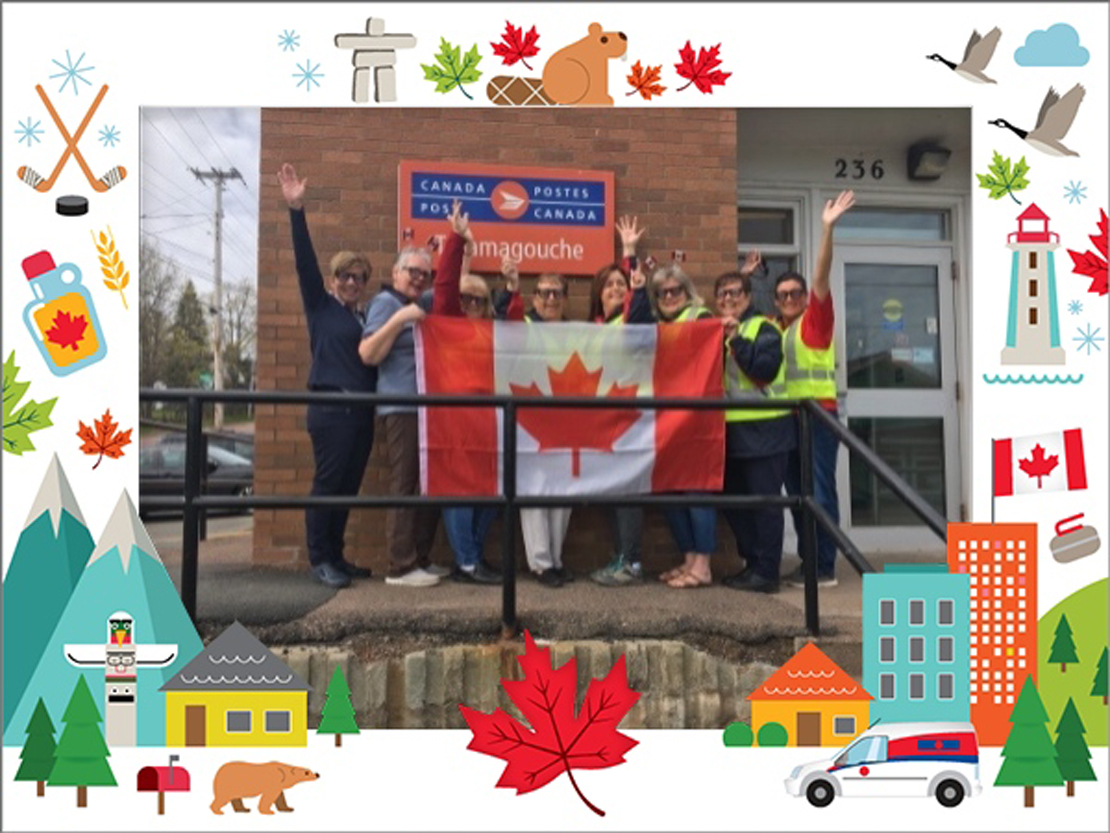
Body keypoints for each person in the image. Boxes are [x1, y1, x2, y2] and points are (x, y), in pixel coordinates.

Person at [359, 200, 471, 587]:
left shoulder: (419, 302)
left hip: (428, 410)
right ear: (395, 272)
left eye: (425, 273)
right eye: (412, 272)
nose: (420, 278)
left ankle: (419, 557)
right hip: (401, 407)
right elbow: (368, 353)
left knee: (429, 483)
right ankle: (400, 566)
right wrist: (399, 320)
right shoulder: (386, 303)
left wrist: (461, 245)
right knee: (404, 483)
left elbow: (449, 291)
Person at [278, 162, 376, 590]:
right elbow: (304, 265)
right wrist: (296, 211)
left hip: (361, 412)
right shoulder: (321, 307)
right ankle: (320, 558)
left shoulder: (366, 318)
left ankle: (337, 554)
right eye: (345, 276)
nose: (352, 282)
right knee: (329, 481)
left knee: (348, 486)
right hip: (331, 407)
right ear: (334, 280)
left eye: (359, 277)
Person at [773, 190, 855, 588]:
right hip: (789, 422)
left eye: (795, 293)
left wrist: (827, 229)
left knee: (820, 492)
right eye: (783, 294)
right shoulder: (782, 330)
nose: (790, 298)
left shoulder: (814, 321)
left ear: (805, 298)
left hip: (817, 418)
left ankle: (823, 568)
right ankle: (809, 563)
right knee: (800, 495)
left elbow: (821, 274)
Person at [714, 268, 793, 593]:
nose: (729, 299)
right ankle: (753, 564)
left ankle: (767, 572)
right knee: (735, 501)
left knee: (764, 504)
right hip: (731, 431)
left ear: (747, 297)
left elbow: (763, 370)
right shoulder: (716, 331)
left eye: (735, 292)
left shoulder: (765, 328)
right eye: (723, 294)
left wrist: (735, 340)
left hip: (765, 429)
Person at [441, 256, 518, 584]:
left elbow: (514, 326)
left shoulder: (492, 330)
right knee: (459, 491)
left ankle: (470, 557)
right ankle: (468, 563)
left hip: (489, 421)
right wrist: (457, 243)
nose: (472, 303)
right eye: (465, 297)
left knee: (493, 492)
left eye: (479, 299)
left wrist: (513, 286)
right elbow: (444, 289)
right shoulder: (447, 324)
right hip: (454, 421)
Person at [589, 216, 653, 587]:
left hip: (631, 417)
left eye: (620, 284)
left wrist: (630, 255)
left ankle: (632, 563)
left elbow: (640, 317)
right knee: (610, 492)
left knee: (628, 490)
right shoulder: (596, 326)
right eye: (609, 284)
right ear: (598, 292)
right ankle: (621, 556)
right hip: (601, 421)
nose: (615, 288)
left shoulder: (630, 319)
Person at [648, 263, 720, 589]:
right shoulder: (656, 325)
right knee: (670, 490)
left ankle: (703, 565)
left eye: (675, 290)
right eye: (662, 293)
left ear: (686, 291)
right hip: (666, 422)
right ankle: (690, 558)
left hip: (698, 420)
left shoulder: (701, 317)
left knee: (697, 489)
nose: (669, 297)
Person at [519, 272, 574, 587]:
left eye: (556, 293)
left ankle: (556, 558)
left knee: (562, 493)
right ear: (534, 298)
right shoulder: (522, 325)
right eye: (544, 293)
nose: (551, 299)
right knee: (535, 492)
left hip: (567, 422)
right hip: (531, 420)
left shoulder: (573, 331)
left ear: (565, 297)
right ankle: (540, 563)